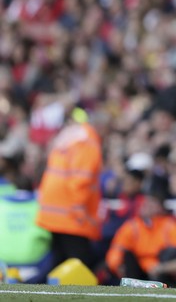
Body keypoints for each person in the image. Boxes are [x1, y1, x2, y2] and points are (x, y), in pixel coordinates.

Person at [36, 112, 103, 271]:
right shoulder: (88, 144)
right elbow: (80, 181)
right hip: (70, 215)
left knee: (59, 260)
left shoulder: (69, 139)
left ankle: (49, 294)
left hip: (53, 210)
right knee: (80, 264)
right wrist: (80, 213)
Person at [104, 186, 176, 284]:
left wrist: (162, 267)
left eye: (152, 203)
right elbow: (117, 249)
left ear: (161, 208)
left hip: (161, 270)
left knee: (169, 254)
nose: (147, 205)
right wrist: (117, 265)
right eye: (145, 202)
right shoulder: (132, 225)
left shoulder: (170, 226)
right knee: (127, 256)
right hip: (137, 270)